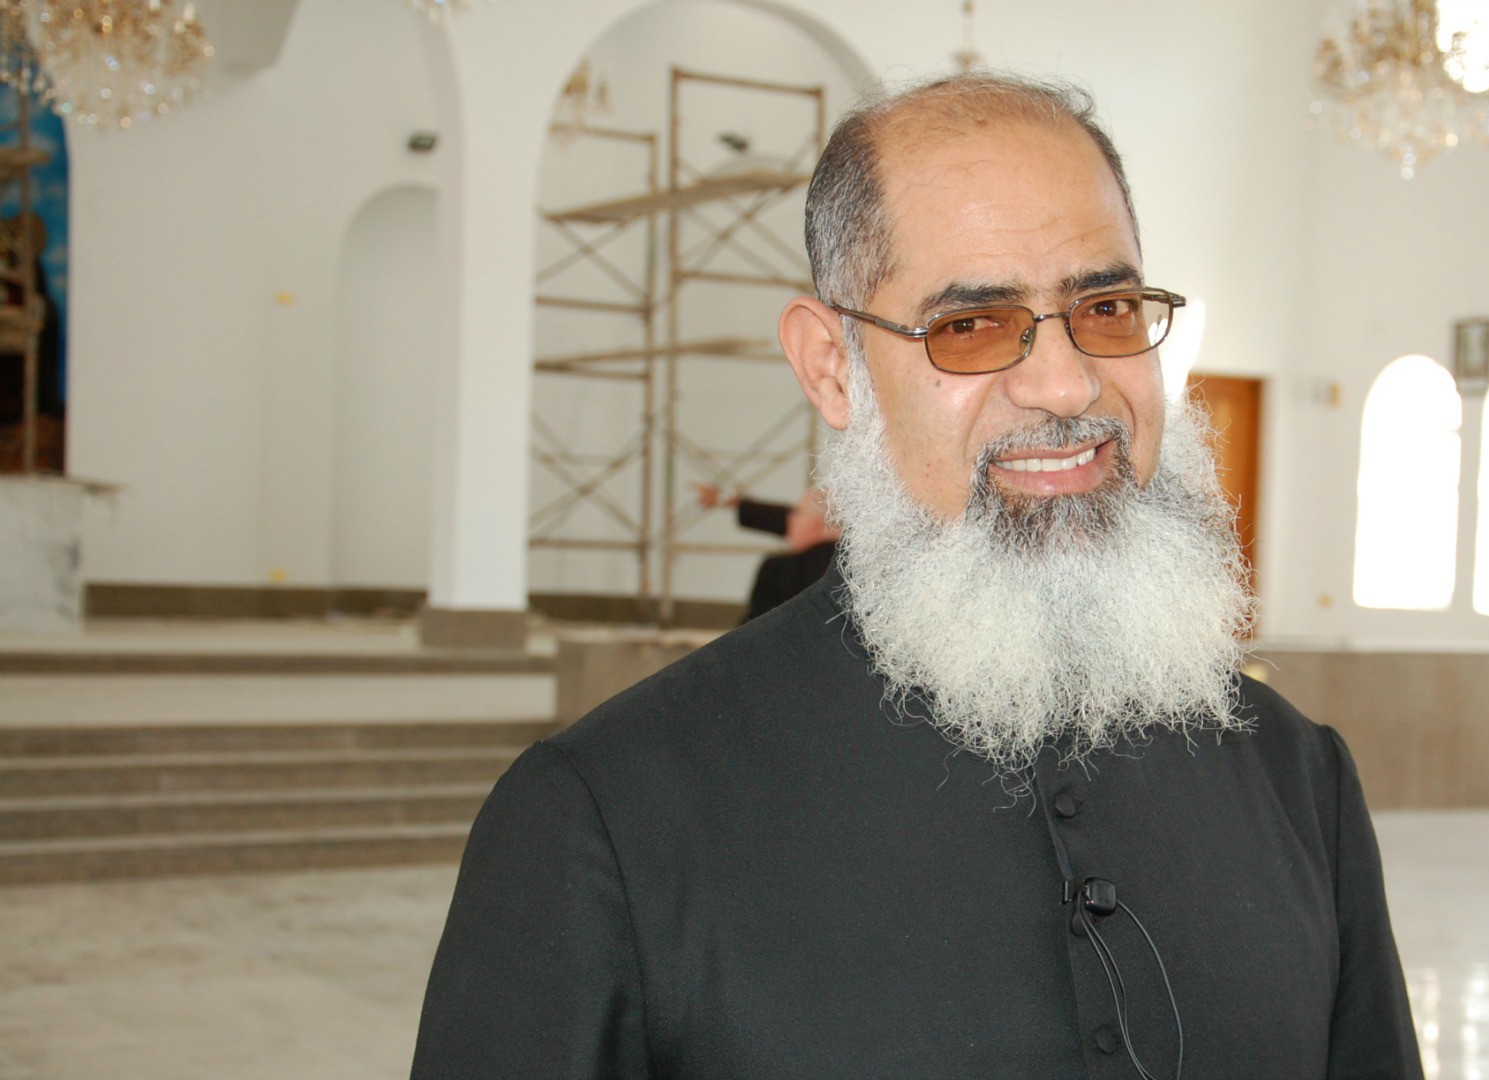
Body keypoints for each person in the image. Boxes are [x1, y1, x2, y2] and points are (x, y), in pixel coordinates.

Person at [413, 71, 1421, 1079]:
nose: (1069, 384)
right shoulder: (606, 819)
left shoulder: (1299, 780)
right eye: (972, 325)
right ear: (829, 366)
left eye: (1106, 306)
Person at [695, 484, 841, 620]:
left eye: (795, 515)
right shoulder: (845, 559)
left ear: (815, 524)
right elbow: (776, 516)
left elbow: (756, 624)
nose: (790, 521)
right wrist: (727, 500)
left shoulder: (783, 568)